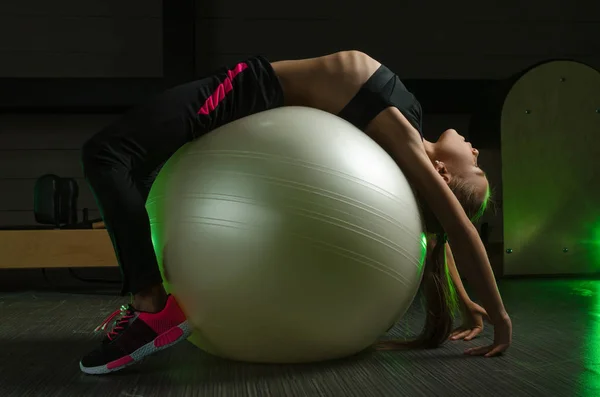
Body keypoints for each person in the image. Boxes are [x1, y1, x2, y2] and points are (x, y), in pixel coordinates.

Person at [80, 50, 512, 375]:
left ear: (441, 174)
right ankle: (149, 300)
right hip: (249, 107)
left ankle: (151, 307)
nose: (476, 151)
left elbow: (455, 228)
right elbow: (438, 234)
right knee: (126, 170)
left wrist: (499, 314)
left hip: (243, 89)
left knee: (107, 154)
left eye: (474, 167)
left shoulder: (401, 133)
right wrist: (469, 304)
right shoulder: (405, 141)